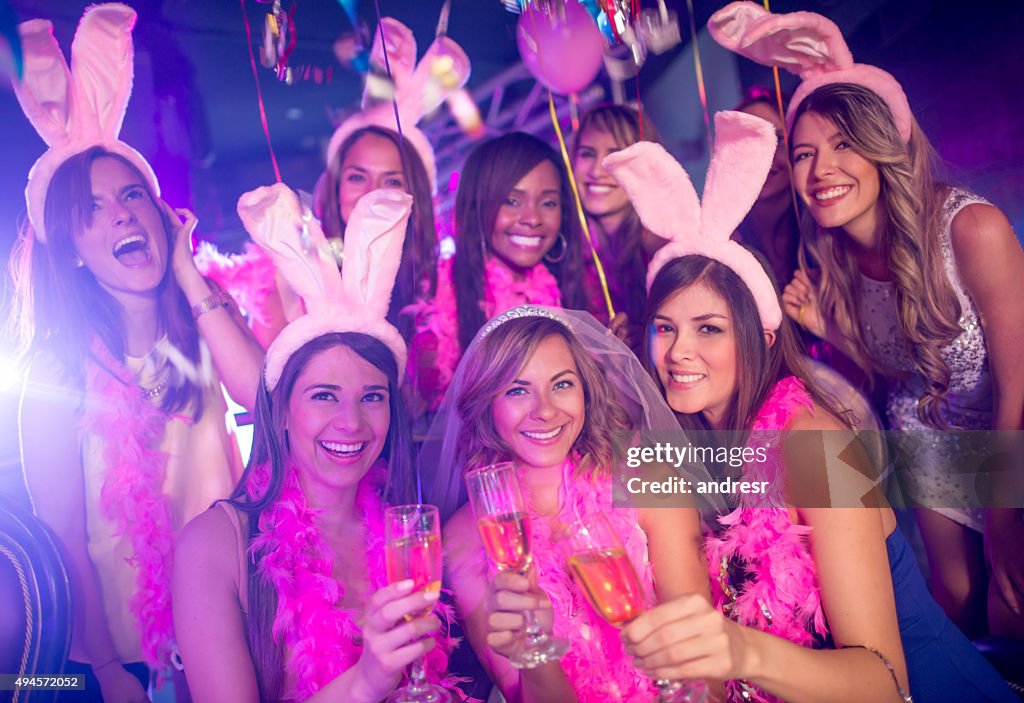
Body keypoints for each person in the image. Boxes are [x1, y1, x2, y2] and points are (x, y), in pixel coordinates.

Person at [602, 107, 1016, 701]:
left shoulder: (818, 446)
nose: (679, 351)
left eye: (710, 329)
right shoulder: (680, 447)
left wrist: (740, 651)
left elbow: (885, 682)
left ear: (762, 338)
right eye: (664, 328)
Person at [710, 0, 1024, 639]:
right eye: (802, 154)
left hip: (1010, 428)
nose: (821, 170)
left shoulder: (971, 228)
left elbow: (1019, 379)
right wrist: (833, 333)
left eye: (844, 145)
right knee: (960, 605)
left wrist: (1003, 514)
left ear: (886, 145)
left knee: (1011, 600)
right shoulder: (831, 264)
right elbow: (902, 378)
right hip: (927, 433)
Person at [8, 6, 263, 700]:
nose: (122, 213)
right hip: (129, 659)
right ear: (74, 251)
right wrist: (110, 672)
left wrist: (189, 277)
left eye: (131, 195)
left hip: (240, 625)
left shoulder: (209, 322)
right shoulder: (55, 372)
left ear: (159, 210)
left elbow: (266, 397)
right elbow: (60, 534)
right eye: (93, 209)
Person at [174, 185, 466, 702]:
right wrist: (367, 681)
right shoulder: (212, 545)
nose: (350, 422)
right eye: (324, 395)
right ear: (281, 413)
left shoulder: (407, 532)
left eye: (371, 396)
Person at [424, 305, 721, 702]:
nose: (545, 411)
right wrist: (535, 650)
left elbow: (707, 676)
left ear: (586, 391)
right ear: (486, 404)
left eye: (562, 384)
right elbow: (522, 696)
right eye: (516, 390)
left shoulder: (653, 482)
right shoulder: (466, 535)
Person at [409, 133, 588, 413]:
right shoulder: (438, 294)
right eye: (512, 201)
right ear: (478, 205)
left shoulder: (571, 289)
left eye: (549, 203)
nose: (532, 219)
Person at [570, 104, 666, 345]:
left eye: (615, 156)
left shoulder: (664, 248)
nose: (597, 170)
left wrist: (646, 337)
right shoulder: (561, 251)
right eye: (587, 154)